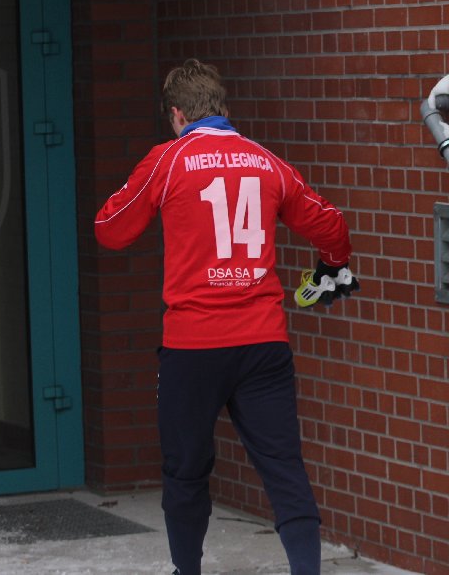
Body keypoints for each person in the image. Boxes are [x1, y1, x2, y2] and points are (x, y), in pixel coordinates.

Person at [95, 59, 356, 575]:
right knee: (284, 469)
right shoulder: (266, 161)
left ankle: (186, 571)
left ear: (176, 115)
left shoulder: (166, 160)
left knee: (185, 472)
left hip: (192, 348)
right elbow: (330, 224)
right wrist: (331, 266)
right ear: (224, 109)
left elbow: (111, 230)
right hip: (263, 344)